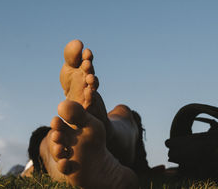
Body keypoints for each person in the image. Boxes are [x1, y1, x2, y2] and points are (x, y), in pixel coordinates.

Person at [22, 40, 150, 189]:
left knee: (47, 142)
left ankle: (59, 158)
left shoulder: (25, 167)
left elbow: (27, 173)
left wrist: (30, 169)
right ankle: (110, 130)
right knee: (124, 113)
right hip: (129, 151)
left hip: (58, 143)